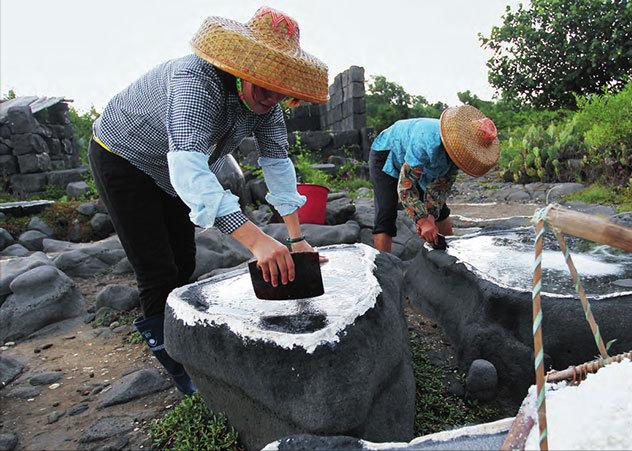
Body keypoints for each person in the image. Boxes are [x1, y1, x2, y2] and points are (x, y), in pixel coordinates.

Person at [88, 6, 328, 395]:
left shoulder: (266, 104)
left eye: (279, 91)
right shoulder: (195, 79)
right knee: (158, 269)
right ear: (242, 68)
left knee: (185, 260)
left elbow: (278, 163)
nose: (271, 98)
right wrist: (254, 240)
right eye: (264, 88)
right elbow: (190, 166)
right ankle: (179, 368)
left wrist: (295, 238)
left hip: (173, 173)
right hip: (123, 156)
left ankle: (185, 339)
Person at [369, 105, 500, 252]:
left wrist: (430, 217)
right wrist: (423, 221)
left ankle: (451, 256)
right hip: (387, 150)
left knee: (441, 212)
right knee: (386, 212)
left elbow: (439, 189)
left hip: (420, 162)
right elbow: (406, 187)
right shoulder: (426, 139)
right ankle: (385, 268)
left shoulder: (459, 154)